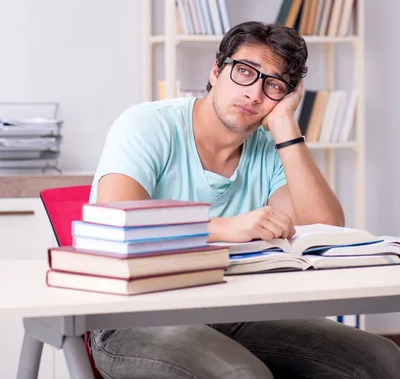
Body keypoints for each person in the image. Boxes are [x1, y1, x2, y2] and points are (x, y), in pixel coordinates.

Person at [89, 22, 400, 378]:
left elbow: (324, 228)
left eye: (273, 85)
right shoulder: (147, 124)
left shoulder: (270, 147)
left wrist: (284, 125)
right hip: (136, 317)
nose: (254, 94)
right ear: (216, 71)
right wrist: (222, 228)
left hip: (237, 309)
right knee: (240, 374)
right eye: (244, 72)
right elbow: (117, 222)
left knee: (379, 357)